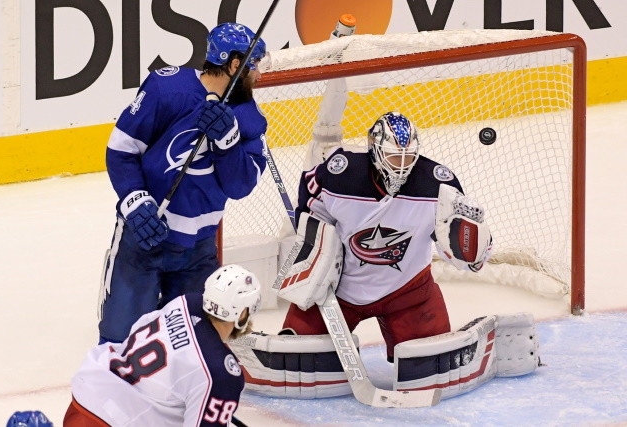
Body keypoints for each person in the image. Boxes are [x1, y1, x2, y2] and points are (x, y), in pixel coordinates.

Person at [98, 22, 268, 344]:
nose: (259, 74)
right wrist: (135, 200)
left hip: (199, 249)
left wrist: (228, 143)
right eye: (255, 64)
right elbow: (121, 150)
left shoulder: (248, 118)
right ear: (235, 65)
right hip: (144, 237)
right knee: (121, 342)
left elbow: (239, 186)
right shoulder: (168, 90)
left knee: (192, 345)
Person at [280, 111, 493, 362]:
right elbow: (309, 189)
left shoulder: (437, 184)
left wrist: (474, 245)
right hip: (338, 292)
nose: (402, 166)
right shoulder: (341, 175)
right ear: (376, 150)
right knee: (296, 357)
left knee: (431, 362)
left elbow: (462, 253)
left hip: (408, 293)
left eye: (408, 157)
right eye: (393, 157)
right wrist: (313, 238)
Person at [65, 264, 262, 426]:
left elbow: (139, 327)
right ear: (242, 314)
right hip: (112, 421)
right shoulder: (221, 373)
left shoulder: (186, 302)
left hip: (86, 397)